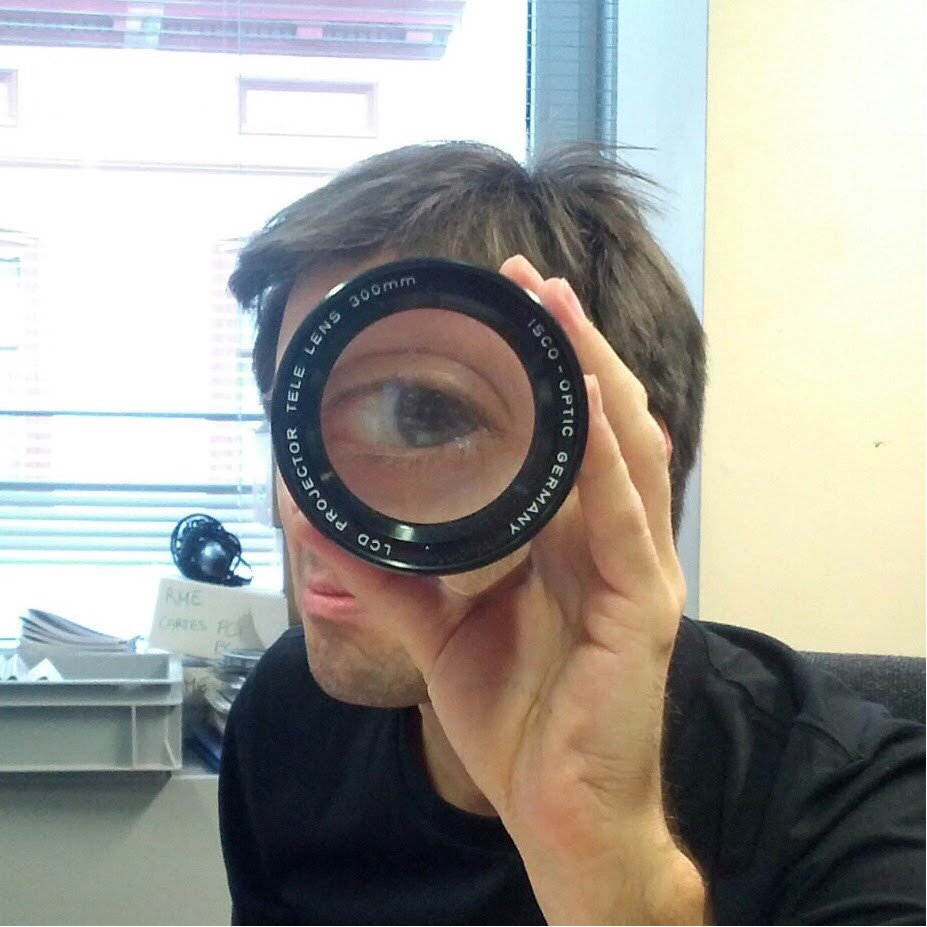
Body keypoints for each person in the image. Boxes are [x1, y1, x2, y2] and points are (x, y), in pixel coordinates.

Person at [218, 141, 925, 925]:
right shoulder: (288, 718)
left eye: (420, 417)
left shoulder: (861, 819)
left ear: (623, 471)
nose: (301, 509)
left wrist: (611, 872)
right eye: (290, 423)